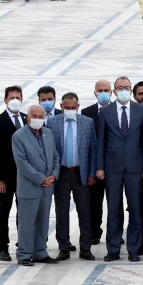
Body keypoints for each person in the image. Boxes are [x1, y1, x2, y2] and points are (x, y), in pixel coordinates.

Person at [96, 78, 143, 263]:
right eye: (120, 88)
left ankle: (134, 249)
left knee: (135, 209)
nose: (123, 91)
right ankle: (113, 249)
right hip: (112, 167)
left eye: (126, 88)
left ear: (130, 90)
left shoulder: (141, 110)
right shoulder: (105, 112)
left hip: (135, 167)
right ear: (114, 91)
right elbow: (101, 141)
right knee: (113, 209)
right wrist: (100, 167)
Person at [12, 104, 60, 266]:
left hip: (47, 187)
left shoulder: (48, 133)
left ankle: (40, 251)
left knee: (43, 221)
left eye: (41, 116)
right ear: (27, 117)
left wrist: (54, 174)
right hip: (30, 186)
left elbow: (55, 156)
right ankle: (24, 253)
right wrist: (40, 178)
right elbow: (22, 162)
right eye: (35, 116)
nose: (38, 119)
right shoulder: (19, 136)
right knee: (26, 222)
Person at [49, 92, 96, 260]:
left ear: (78, 106)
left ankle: (85, 248)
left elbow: (93, 149)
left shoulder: (87, 122)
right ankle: (64, 247)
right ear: (61, 107)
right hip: (61, 173)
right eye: (66, 108)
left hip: (80, 174)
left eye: (73, 107)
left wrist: (92, 173)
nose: (70, 110)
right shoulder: (52, 122)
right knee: (62, 212)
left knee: (85, 212)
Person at [0, 88, 28, 261]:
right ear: (5, 100)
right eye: (11, 98)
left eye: (17, 97)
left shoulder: (27, 119)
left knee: (24, 211)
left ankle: (23, 243)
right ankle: (3, 246)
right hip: (6, 177)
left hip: (24, 176)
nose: (15, 100)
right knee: (4, 210)